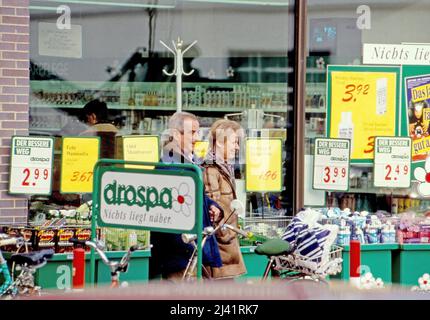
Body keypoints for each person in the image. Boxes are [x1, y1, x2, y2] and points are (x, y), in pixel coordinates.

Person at [149, 111, 223, 281]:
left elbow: (196, 196)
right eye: (192, 132)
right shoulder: (168, 165)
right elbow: (168, 215)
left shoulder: (187, 161)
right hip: (182, 255)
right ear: (176, 134)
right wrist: (190, 247)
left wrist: (212, 205)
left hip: (191, 251)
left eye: (198, 132)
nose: (197, 137)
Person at [202, 119, 247, 279]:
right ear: (220, 143)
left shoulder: (224, 167)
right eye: (234, 142)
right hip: (221, 249)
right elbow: (212, 211)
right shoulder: (211, 170)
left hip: (226, 245)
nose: (236, 147)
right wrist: (225, 235)